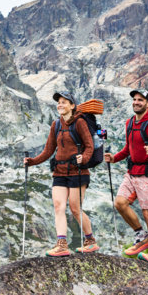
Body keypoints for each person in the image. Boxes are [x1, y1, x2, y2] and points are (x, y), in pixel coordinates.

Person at [24, 91, 99, 256]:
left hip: (78, 171)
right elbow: (48, 150)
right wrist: (33, 161)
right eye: (59, 102)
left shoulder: (80, 123)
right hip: (59, 172)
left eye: (64, 102)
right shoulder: (56, 125)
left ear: (72, 105)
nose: (60, 105)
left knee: (75, 208)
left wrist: (84, 158)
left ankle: (90, 240)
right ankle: (62, 244)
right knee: (58, 206)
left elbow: (89, 146)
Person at [104, 89, 148, 266]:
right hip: (132, 172)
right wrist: (114, 158)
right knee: (119, 203)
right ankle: (141, 234)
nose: (136, 102)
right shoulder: (129, 122)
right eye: (134, 99)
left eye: (140, 100)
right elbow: (128, 149)